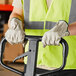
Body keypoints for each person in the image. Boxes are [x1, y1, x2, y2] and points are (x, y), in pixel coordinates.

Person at [5, 0, 76, 69]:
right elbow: (17, 13)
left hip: (68, 63)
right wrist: (14, 24)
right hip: (33, 60)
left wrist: (64, 30)